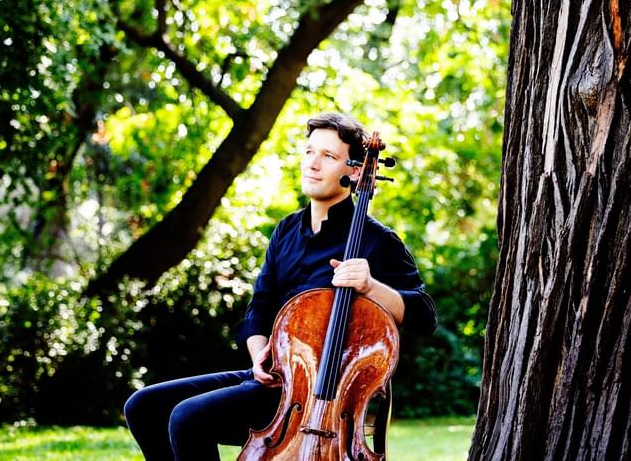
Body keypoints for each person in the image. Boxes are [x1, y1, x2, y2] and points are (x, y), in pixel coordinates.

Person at [123, 112, 437, 460]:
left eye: (328, 157)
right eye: (308, 152)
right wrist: (259, 356)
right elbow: (259, 307)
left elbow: (425, 316)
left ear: (354, 170)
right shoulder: (286, 230)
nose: (313, 165)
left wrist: (370, 286)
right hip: (273, 377)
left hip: (324, 394)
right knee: (143, 406)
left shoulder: (378, 241)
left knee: (187, 418)